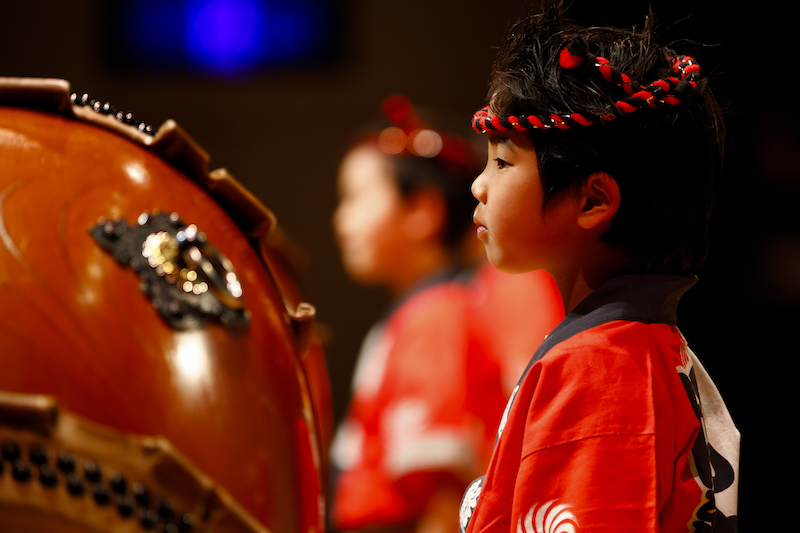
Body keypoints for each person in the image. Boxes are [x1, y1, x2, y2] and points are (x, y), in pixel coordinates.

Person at [459, 4, 740, 533]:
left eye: (501, 161)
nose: (479, 186)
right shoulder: (628, 348)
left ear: (593, 201)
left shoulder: (600, 368)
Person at [329, 95, 563, 533]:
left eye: (356, 198)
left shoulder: (436, 315)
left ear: (422, 211)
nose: (341, 220)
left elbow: (443, 496)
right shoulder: (419, 312)